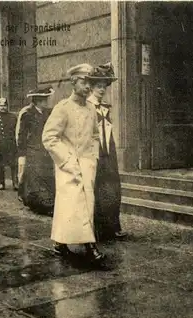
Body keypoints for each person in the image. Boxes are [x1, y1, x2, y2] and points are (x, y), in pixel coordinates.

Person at [42, 63, 104, 263]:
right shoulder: (63, 108)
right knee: (69, 206)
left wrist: (93, 158)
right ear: (73, 83)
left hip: (86, 164)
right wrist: (67, 159)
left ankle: (66, 243)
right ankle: (85, 245)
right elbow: (49, 137)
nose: (88, 87)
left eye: (90, 83)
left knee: (86, 204)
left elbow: (95, 135)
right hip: (67, 165)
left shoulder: (91, 109)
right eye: (84, 82)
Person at [86, 63, 127, 241]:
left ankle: (113, 226)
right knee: (96, 188)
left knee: (112, 187)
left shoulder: (105, 108)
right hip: (94, 151)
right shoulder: (86, 107)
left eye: (104, 87)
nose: (102, 90)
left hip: (108, 152)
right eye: (98, 87)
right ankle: (96, 229)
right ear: (91, 88)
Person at [17, 86, 56, 215]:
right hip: (33, 150)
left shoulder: (48, 113)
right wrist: (22, 153)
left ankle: (44, 203)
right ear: (38, 101)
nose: (47, 101)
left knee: (46, 177)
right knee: (36, 178)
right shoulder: (27, 114)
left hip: (45, 149)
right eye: (45, 99)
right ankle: (43, 205)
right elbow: (22, 135)